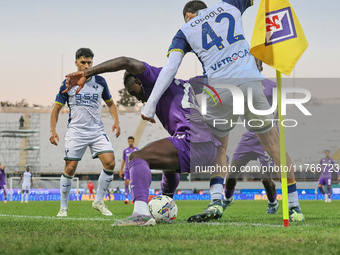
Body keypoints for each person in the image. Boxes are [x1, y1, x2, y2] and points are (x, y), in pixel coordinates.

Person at [139, 0, 304, 222]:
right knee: (274, 145)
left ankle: (216, 202)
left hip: (220, 92)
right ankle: (294, 207)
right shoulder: (230, 5)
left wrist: (150, 105)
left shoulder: (184, 30)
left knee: (220, 147)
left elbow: (170, 69)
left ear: (188, 15)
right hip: (249, 83)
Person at [65, 56, 226, 226]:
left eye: (134, 93)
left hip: (191, 141)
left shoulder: (153, 77)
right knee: (169, 169)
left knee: (136, 157)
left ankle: (140, 213)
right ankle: (165, 203)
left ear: (137, 80)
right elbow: (216, 80)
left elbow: (125, 62)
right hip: (211, 148)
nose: (139, 99)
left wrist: (88, 72)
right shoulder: (185, 84)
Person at [50, 48, 121, 217]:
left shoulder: (100, 81)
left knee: (110, 163)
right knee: (71, 168)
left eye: (89, 62)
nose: (86, 65)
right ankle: (63, 207)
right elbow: (56, 109)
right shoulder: (68, 83)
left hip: (96, 131)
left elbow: (111, 104)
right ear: (76, 62)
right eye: (83, 62)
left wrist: (116, 121)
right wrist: (52, 130)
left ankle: (98, 201)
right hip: (76, 132)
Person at [119, 136, 139, 204]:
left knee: (133, 184)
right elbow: (123, 161)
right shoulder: (125, 150)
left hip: (134, 169)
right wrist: (121, 170)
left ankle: (133, 198)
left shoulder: (136, 150)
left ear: (133, 141)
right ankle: (126, 198)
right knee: (127, 183)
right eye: (129, 141)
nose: (130, 142)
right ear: (128, 142)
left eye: (131, 141)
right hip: (127, 169)